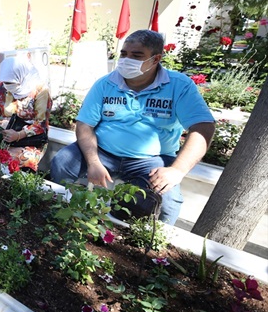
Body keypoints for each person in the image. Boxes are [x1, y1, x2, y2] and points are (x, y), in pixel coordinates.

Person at [49, 30, 215, 225]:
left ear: (156, 59)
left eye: (136, 56)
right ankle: (60, 215)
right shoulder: (106, 84)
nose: (127, 60)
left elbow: (203, 127)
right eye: (124, 54)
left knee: (169, 201)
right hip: (103, 151)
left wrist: (177, 171)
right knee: (62, 162)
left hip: (152, 161)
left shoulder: (179, 86)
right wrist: (93, 162)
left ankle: (157, 245)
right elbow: (85, 124)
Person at [0, 56, 52, 172]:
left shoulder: (40, 90)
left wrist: (18, 135)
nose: (7, 85)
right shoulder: (3, 87)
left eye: (11, 82)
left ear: (21, 77)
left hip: (28, 138)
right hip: (2, 134)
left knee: (24, 159)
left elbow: (41, 124)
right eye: (6, 82)